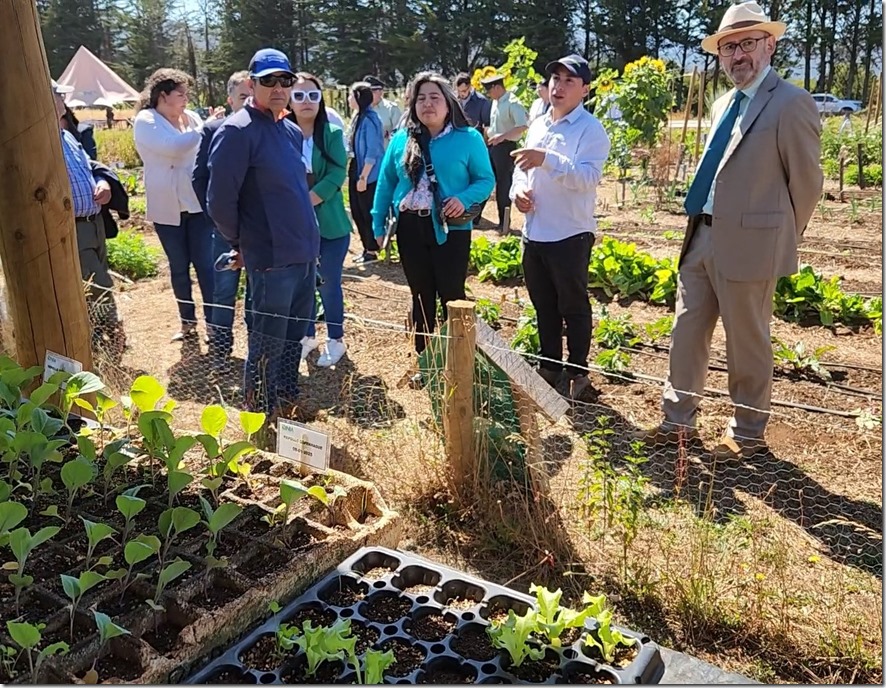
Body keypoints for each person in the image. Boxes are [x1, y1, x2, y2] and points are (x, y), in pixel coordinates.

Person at [635, 1, 823, 459]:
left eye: (746, 44)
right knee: (686, 330)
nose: (737, 55)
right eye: (727, 48)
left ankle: (747, 434)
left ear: (770, 45)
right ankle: (678, 422)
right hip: (702, 234)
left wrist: (779, 238)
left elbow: (808, 185)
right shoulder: (721, 103)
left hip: (752, 244)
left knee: (747, 339)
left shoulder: (791, 102)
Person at [207, 48, 319, 418]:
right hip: (270, 258)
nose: (278, 88)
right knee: (267, 339)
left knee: (294, 336)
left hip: (303, 253)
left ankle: (287, 396)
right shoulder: (236, 131)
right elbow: (220, 201)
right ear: (252, 84)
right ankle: (260, 411)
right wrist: (243, 244)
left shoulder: (288, 130)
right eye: (268, 80)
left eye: (284, 80)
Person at [371, 73, 494, 387]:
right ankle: (425, 366)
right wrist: (376, 222)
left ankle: (459, 364)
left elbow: (485, 180)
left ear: (449, 102)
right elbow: (386, 183)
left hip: (451, 227)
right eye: (421, 98)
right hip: (411, 227)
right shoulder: (401, 140)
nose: (427, 104)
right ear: (413, 105)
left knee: (452, 296)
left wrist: (462, 199)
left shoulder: (468, 138)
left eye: (434, 97)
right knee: (420, 296)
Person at [511, 55, 611, 400]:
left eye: (570, 81)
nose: (559, 86)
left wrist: (548, 160)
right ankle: (550, 364)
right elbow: (520, 170)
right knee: (543, 305)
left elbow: (589, 178)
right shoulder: (538, 123)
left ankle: (578, 372)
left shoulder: (591, 130)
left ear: (585, 89)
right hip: (534, 232)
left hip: (570, 235)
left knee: (574, 306)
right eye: (555, 78)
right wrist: (517, 193)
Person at [133, 68, 215, 343]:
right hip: (167, 208)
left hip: (197, 205)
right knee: (179, 267)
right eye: (181, 94)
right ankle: (188, 322)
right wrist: (207, 126)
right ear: (163, 95)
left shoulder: (190, 118)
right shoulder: (146, 120)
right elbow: (173, 147)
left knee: (206, 265)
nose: (185, 99)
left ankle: (214, 323)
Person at [51, 80, 124, 358]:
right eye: (57, 94)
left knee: (96, 284)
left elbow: (89, 168)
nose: (62, 99)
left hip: (93, 224)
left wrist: (101, 181)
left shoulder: (67, 136)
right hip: (72, 228)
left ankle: (100, 342)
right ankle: (110, 338)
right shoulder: (42, 144)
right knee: (98, 286)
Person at [288, 72, 351, 368]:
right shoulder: (281, 132)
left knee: (328, 282)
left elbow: (338, 172)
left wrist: (311, 197)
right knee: (303, 283)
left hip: (330, 224)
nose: (306, 102)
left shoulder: (333, 134)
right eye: (299, 95)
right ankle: (307, 335)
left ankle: (336, 339)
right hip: (294, 226)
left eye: (312, 95)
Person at [192, 70, 253, 369]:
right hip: (224, 229)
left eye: (252, 95)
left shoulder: (271, 128)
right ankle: (220, 350)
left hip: (259, 227)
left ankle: (259, 349)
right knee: (224, 289)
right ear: (230, 100)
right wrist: (215, 216)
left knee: (259, 290)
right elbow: (199, 178)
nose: (249, 102)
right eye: (243, 97)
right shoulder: (214, 129)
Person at [481, 73, 528, 235]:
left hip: (506, 147)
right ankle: (476, 217)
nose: (488, 94)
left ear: (497, 87)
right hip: (494, 146)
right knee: (486, 179)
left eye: (489, 90)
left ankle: (504, 222)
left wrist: (502, 136)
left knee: (503, 185)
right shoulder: (496, 102)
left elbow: (522, 126)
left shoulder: (512, 102)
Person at [347, 81, 385, 264]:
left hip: (368, 173)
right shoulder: (358, 117)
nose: (348, 99)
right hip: (357, 167)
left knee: (366, 210)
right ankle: (366, 248)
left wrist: (363, 176)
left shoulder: (370, 120)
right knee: (357, 210)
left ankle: (372, 249)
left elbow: (373, 152)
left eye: (351, 95)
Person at [365, 75, 402, 145]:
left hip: (386, 153)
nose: (369, 95)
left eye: (372, 92)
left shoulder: (391, 109)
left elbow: (399, 135)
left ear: (381, 92)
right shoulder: (362, 110)